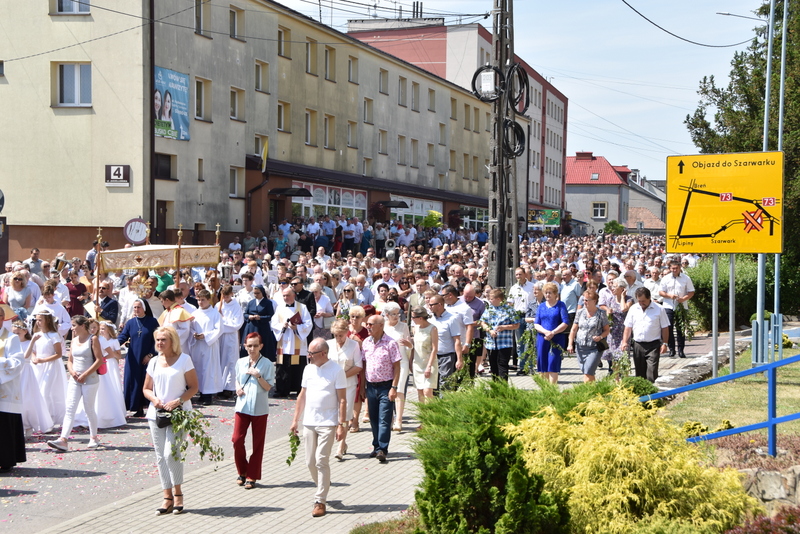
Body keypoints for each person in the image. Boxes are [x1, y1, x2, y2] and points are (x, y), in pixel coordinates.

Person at [142, 326, 199, 516]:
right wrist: (154, 399)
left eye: (163, 340)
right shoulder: (154, 362)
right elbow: (147, 388)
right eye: (158, 340)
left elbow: (193, 387)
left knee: (171, 453)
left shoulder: (184, 360)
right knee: (160, 455)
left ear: (172, 341)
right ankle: (166, 497)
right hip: (156, 414)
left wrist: (179, 401)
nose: (160, 343)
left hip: (179, 414)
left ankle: (178, 493)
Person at [289, 338, 347, 518]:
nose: (309, 356)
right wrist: (295, 419)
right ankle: (324, 484)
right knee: (309, 462)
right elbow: (302, 395)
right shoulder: (308, 369)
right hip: (309, 421)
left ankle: (320, 500)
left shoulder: (337, 370)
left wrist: (341, 424)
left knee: (322, 460)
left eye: (312, 353)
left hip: (328, 422)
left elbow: (342, 400)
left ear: (323, 353)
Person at [46, 315, 104, 451]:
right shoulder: (73, 340)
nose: (72, 328)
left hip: (90, 379)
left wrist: (85, 374)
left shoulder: (93, 339)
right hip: (75, 379)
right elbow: (70, 359)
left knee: (89, 408)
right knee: (70, 408)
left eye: (74, 325)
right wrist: (72, 372)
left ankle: (94, 437)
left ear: (82, 326)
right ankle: (63, 439)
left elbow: (99, 360)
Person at [233, 333, 275, 490]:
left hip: (259, 407)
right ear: (245, 346)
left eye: (255, 346)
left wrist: (258, 377)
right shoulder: (241, 362)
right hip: (242, 406)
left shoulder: (267, 364)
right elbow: (237, 378)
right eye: (249, 346)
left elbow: (268, 387)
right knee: (237, 440)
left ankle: (252, 475)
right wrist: (237, 388)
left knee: (257, 444)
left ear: (261, 346)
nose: (252, 349)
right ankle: (242, 471)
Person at [361, 315, 401, 462]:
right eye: (367, 324)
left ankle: (383, 449)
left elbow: (397, 367)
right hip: (371, 386)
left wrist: (394, 387)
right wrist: (363, 387)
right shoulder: (366, 342)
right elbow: (364, 365)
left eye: (371, 324)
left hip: (386, 386)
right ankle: (376, 446)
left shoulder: (390, 343)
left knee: (384, 418)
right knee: (374, 419)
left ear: (380, 325)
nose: (368, 327)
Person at [326, 319, 362, 460]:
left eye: (341, 335)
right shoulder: (328, 345)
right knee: (334, 414)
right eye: (336, 335)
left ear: (346, 332)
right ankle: (343, 440)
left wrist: (342, 376)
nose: (338, 338)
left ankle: (340, 446)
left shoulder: (353, 345)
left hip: (348, 384)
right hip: (331, 386)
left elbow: (358, 366)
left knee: (345, 414)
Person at [118, 299, 160, 417]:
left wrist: (150, 355)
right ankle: (134, 406)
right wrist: (112, 343)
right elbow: (123, 336)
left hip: (147, 357)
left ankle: (143, 406)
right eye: (135, 307)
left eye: (138, 307)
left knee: (144, 381)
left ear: (144, 308)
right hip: (133, 357)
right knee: (132, 381)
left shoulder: (152, 322)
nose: (136, 310)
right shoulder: (131, 322)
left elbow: (157, 340)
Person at [621, 287, 670, 383]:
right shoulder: (633, 309)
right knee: (639, 374)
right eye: (639, 301)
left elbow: (665, 327)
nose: (641, 303)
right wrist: (624, 342)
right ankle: (643, 396)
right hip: (638, 345)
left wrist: (665, 343)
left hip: (653, 345)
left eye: (643, 301)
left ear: (649, 298)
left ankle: (653, 394)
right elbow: (628, 327)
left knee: (651, 372)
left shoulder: (659, 309)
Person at [13, 319, 53, 438]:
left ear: (25, 331)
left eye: (17, 333)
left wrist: (33, 341)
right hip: (16, 373)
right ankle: (20, 425)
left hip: (25, 371)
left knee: (27, 399)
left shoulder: (29, 342)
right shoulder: (13, 344)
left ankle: (29, 425)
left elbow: (26, 357)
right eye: (13, 333)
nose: (15, 336)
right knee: (17, 399)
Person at [271, 286, 313, 397]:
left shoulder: (302, 307)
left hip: (296, 341)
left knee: (298, 366)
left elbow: (309, 324)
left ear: (294, 295)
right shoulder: (279, 308)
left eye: (288, 295)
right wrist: (282, 326)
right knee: (282, 366)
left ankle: (298, 389)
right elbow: (274, 324)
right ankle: (282, 390)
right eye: (284, 295)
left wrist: (297, 328)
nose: (285, 297)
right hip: (284, 341)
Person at [28, 311, 68, 424]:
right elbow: (34, 350)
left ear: (47, 320)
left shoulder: (54, 335)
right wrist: (34, 357)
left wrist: (43, 360)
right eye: (37, 320)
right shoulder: (36, 334)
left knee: (46, 392)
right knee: (37, 391)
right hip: (38, 366)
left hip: (50, 365)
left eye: (40, 320)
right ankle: (39, 417)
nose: (38, 322)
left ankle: (48, 418)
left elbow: (58, 354)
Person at [0, 305, 26, 472]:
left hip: (4, 389)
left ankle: (6, 459)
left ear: (2, 318)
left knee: (3, 426)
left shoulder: (10, 338)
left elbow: (17, 362)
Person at [567, 290, 610, 383]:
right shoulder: (580, 312)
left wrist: (600, 337)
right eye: (584, 300)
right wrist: (570, 344)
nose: (584, 302)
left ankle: (586, 392)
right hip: (581, 347)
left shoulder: (601, 313)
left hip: (594, 347)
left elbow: (607, 330)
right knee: (588, 372)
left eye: (587, 300)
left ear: (594, 301)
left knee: (588, 371)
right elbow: (573, 329)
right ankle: (594, 392)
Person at [382, 302, 412, 432]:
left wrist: (408, 344)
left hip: (402, 361)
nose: (397, 316)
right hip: (386, 363)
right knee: (387, 390)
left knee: (399, 390)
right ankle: (390, 419)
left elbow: (410, 345)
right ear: (387, 315)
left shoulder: (403, 326)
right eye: (394, 314)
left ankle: (398, 420)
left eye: (398, 313)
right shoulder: (382, 326)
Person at [189, 290, 223, 405]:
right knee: (198, 368)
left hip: (209, 346)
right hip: (197, 345)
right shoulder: (195, 313)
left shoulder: (215, 314)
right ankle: (199, 393)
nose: (200, 302)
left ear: (209, 300)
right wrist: (194, 334)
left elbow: (218, 329)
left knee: (208, 370)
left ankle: (207, 395)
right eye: (198, 300)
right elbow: (191, 327)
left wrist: (206, 336)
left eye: (203, 300)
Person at [479, 289, 519, 381]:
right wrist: (489, 330)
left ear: (498, 299)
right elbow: (482, 322)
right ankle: (495, 390)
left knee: (503, 367)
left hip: (504, 343)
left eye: (491, 298)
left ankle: (503, 390)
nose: (489, 300)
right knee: (493, 368)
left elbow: (516, 325)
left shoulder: (509, 310)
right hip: (491, 343)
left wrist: (504, 327)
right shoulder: (489, 309)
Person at [534, 282, 570, 385]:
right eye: (546, 293)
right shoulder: (541, 306)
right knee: (542, 363)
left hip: (557, 338)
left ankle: (552, 389)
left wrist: (553, 332)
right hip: (542, 338)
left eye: (550, 293)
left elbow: (565, 322)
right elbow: (536, 323)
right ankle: (544, 389)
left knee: (553, 363)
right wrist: (546, 332)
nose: (547, 295)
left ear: (555, 294)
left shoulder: (560, 305)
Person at [658, 260, 695, 358]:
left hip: (681, 306)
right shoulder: (665, 278)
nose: (674, 270)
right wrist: (669, 295)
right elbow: (661, 292)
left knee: (680, 329)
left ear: (679, 268)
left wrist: (684, 299)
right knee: (668, 328)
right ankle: (671, 349)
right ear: (670, 268)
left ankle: (681, 350)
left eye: (676, 268)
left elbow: (691, 292)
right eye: (672, 268)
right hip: (668, 306)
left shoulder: (686, 278)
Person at [94, 321, 127, 428]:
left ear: (109, 330)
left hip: (110, 364)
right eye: (101, 329)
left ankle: (118, 408)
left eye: (103, 329)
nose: (102, 331)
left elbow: (118, 355)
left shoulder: (113, 341)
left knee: (113, 384)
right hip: (102, 363)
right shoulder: (98, 340)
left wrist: (106, 357)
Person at [428, 295, 463, 390]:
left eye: (431, 305)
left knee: (444, 384)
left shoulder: (452, 319)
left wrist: (459, 359)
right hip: (432, 356)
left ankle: (443, 404)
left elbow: (457, 340)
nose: (429, 306)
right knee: (433, 384)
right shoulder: (430, 319)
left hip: (446, 356)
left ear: (439, 305)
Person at [217, 285, 245, 399]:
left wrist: (222, 321)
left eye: (227, 296)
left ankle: (229, 387)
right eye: (223, 296)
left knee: (230, 361)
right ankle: (220, 385)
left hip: (230, 337)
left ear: (231, 294)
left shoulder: (236, 306)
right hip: (220, 336)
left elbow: (237, 324)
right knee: (220, 361)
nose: (225, 298)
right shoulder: (218, 305)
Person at [409, 306, 438, 404]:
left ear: (420, 318)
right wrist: (410, 361)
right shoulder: (415, 328)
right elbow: (414, 346)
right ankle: (423, 415)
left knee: (427, 391)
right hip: (417, 364)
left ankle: (431, 415)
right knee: (420, 392)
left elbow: (434, 349)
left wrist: (429, 366)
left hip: (429, 363)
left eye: (413, 317)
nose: (412, 320)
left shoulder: (432, 328)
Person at [241, 285, 277, 361]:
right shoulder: (251, 302)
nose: (255, 295)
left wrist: (260, 317)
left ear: (262, 292)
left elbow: (270, 315)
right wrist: (249, 316)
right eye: (254, 293)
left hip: (263, 328)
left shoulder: (268, 303)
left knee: (262, 346)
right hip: (251, 326)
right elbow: (245, 314)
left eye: (257, 293)